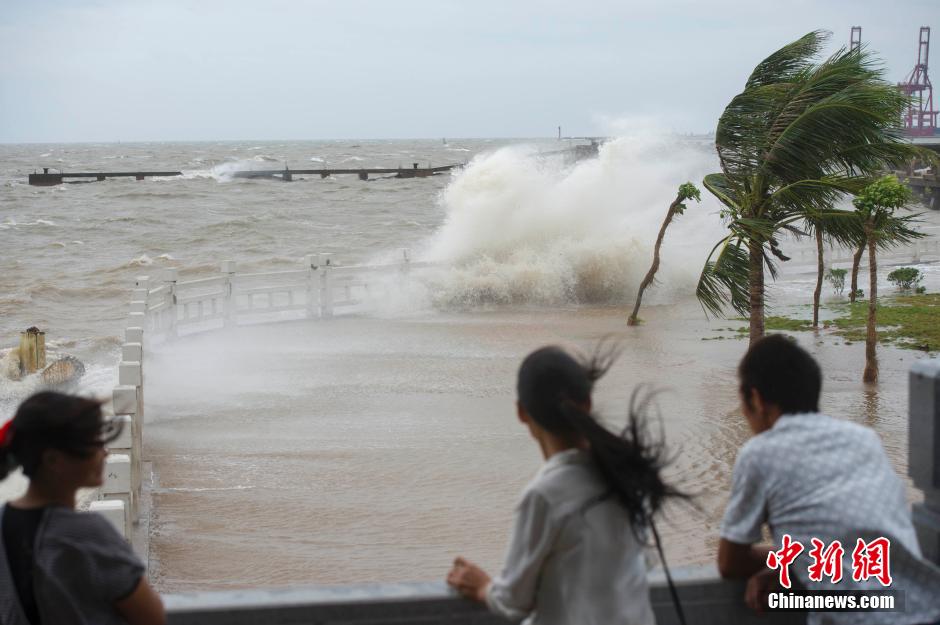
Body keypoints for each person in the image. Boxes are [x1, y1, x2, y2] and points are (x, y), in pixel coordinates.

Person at [446, 345, 684, 625]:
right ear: (587, 404)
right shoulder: (626, 475)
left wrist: (483, 587)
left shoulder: (544, 495)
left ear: (522, 412)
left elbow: (513, 602)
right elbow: (643, 564)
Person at [718, 334, 940, 625]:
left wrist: (792, 560)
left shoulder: (759, 453)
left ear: (756, 399)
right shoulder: (865, 438)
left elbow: (730, 562)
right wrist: (798, 561)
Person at [0, 391, 165, 625]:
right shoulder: (86, 533)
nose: (104, 452)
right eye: (94, 444)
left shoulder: (2, 520)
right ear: (53, 460)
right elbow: (151, 616)